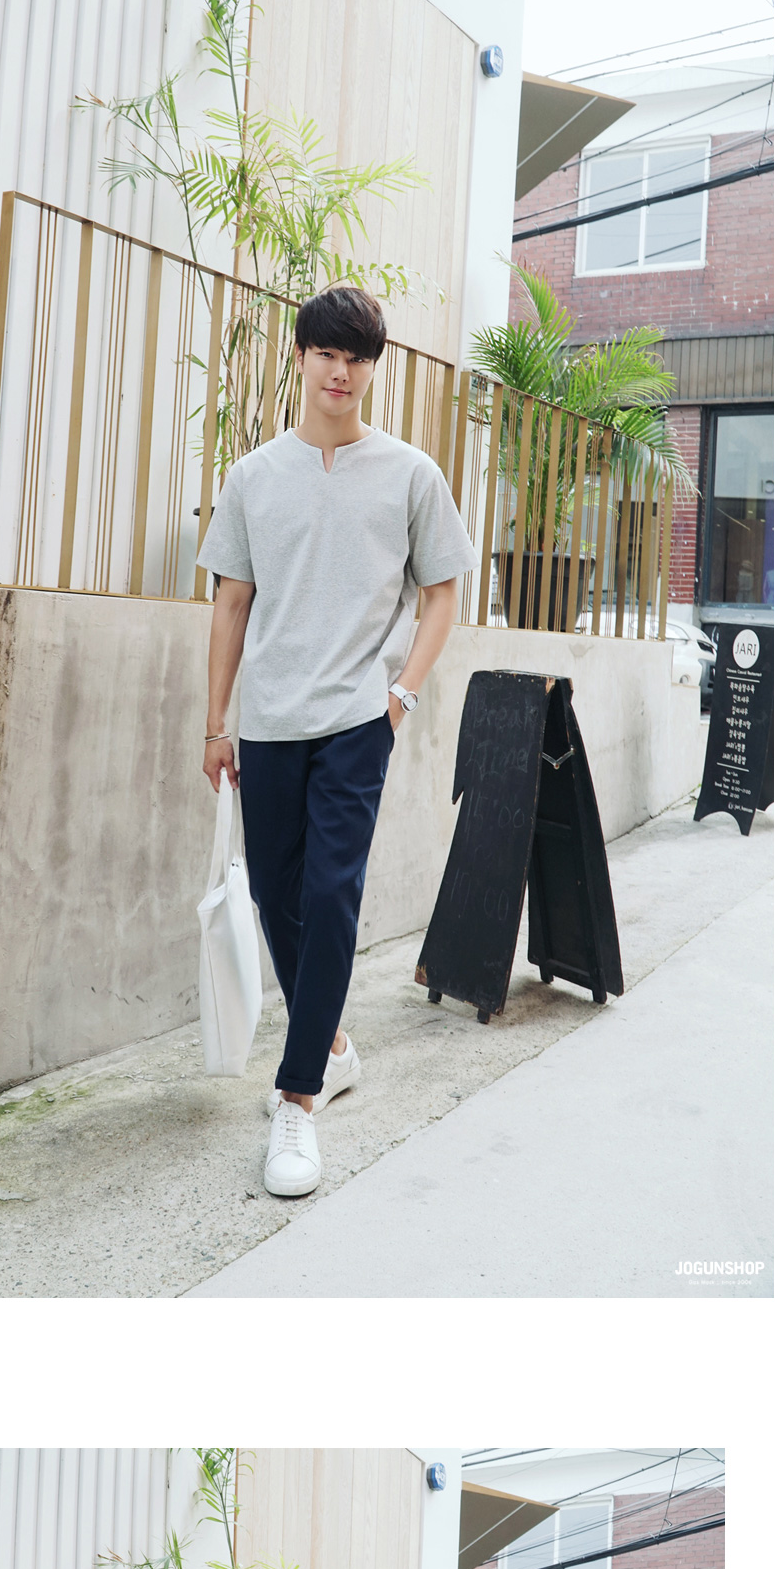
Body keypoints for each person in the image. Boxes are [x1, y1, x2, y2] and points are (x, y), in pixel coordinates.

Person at [199, 280, 475, 1201]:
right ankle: (335, 1045)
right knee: (276, 896)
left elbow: (442, 592)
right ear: (302, 357)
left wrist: (399, 694)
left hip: (359, 718)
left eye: (357, 357)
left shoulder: (409, 474)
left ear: (371, 369)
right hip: (270, 721)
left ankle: (298, 1097)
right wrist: (216, 722)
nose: (341, 371)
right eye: (327, 352)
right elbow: (230, 602)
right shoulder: (254, 476)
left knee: (330, 893)